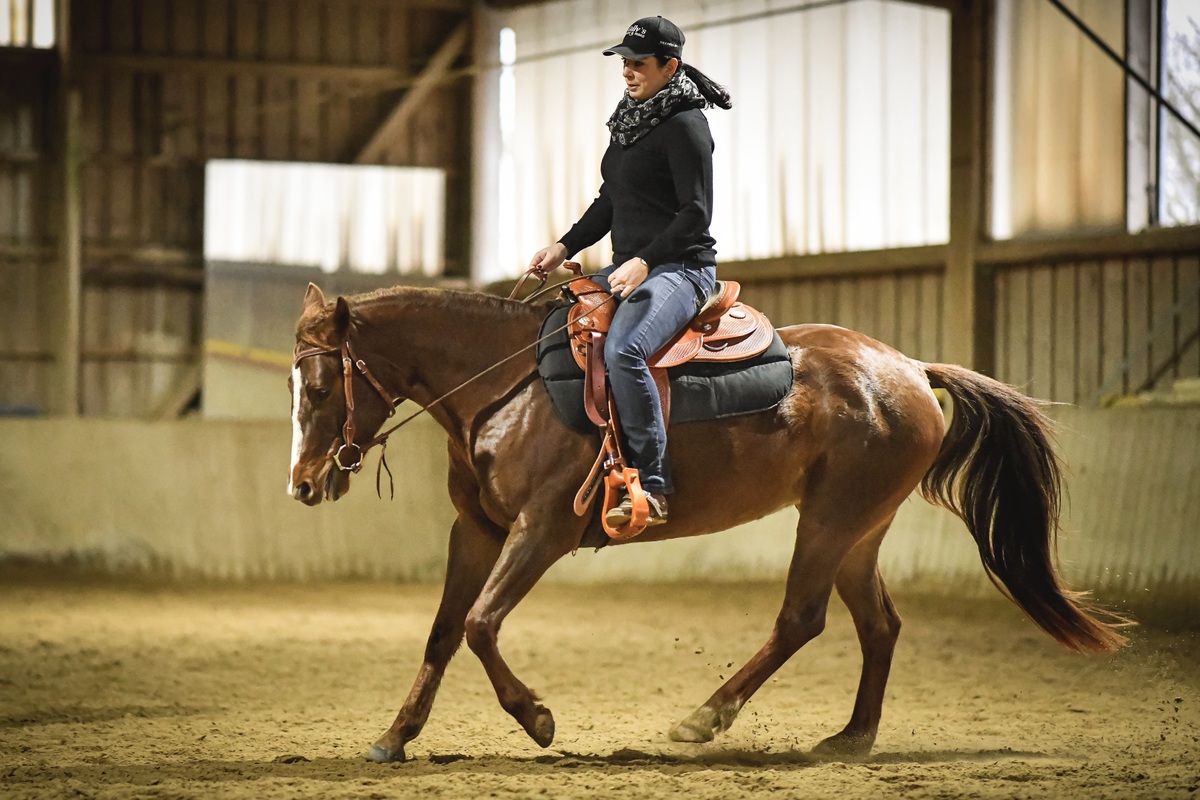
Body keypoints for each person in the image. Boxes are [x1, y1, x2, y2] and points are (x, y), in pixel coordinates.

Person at [528, 15, 732, 528]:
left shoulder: (686, 126)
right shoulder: (630, 121)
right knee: (560, 325)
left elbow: (695, 214)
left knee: (625, 349)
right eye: (624, 62)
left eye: (638, 63)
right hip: (630, 266)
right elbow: (609, 202)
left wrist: (645, 260)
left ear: (670, 66)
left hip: (681, 269)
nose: (627, 72)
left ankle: (654, 484)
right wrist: (564, 244)